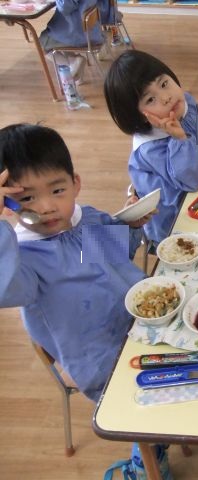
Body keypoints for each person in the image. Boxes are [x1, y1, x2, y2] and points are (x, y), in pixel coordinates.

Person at [0, 123, 151, 403]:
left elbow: (115, 258)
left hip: (145, 319)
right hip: (101, 359)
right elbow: (4, 290)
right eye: (27, 198)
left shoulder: (86, 219)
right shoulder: (23, 260)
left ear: (75, 184)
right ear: (9, 205)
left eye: (57, 190)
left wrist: (131, 224)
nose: (47, 207)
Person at [104, 50, 198, 248]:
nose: (166, 98)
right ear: (137, 116)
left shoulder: (183, 102)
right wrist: (180, 139)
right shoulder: (150, 149)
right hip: (175, 223)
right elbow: (191, 182)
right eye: (150, 100)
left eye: (164, 84)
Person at [39, 0, 103, 82]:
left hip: (77, 32)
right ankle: (78, 73)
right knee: (58, 36)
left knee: (40, 44)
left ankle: (72, 62)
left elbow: (64, 7)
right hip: (91, 30)